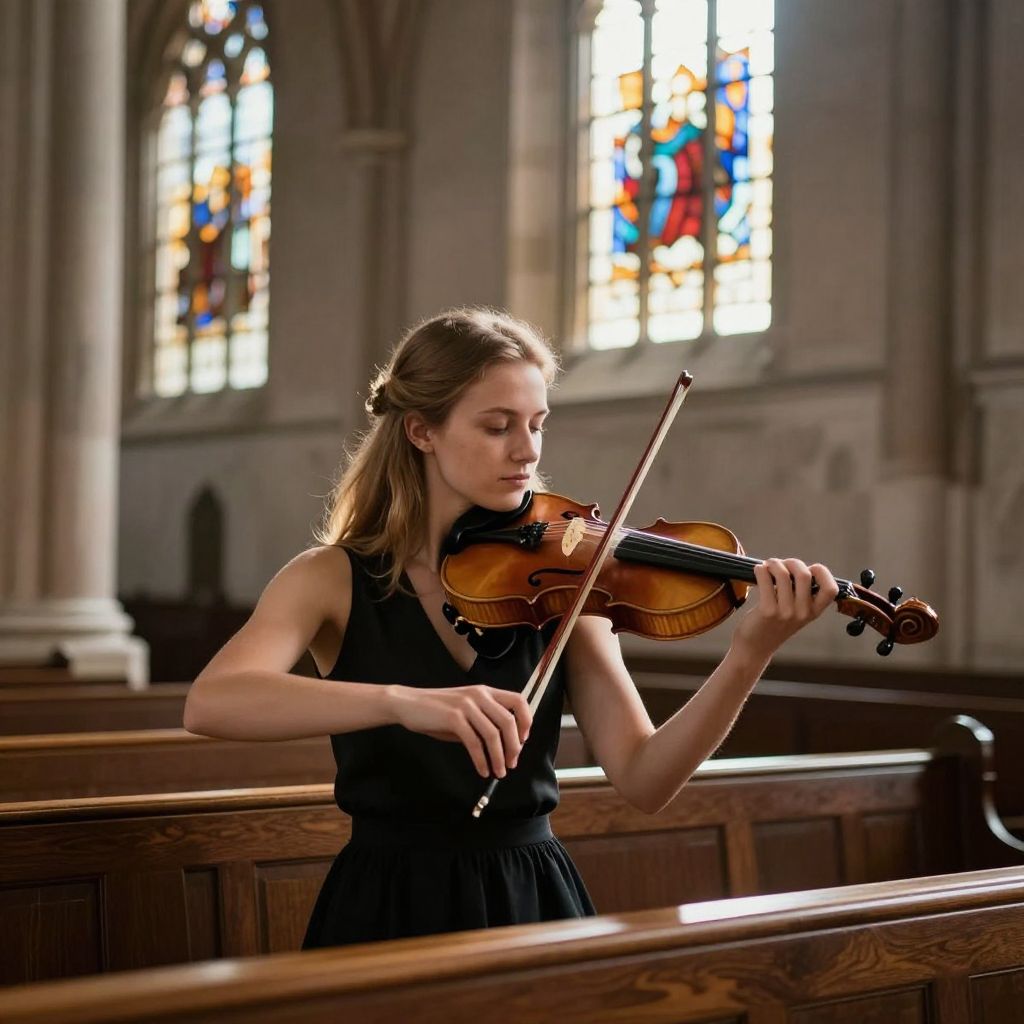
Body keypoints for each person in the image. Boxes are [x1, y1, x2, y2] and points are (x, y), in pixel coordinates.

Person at [183, 306, 840, 948]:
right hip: (385, 905)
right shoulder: (330, 577)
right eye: (499, 426)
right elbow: (213, 700)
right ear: (421, 431)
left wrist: (749, 654)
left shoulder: (566, 583)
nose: (527, 450)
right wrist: (403, 703)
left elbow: (646, 781)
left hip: (532, 902)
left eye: (537, 424)